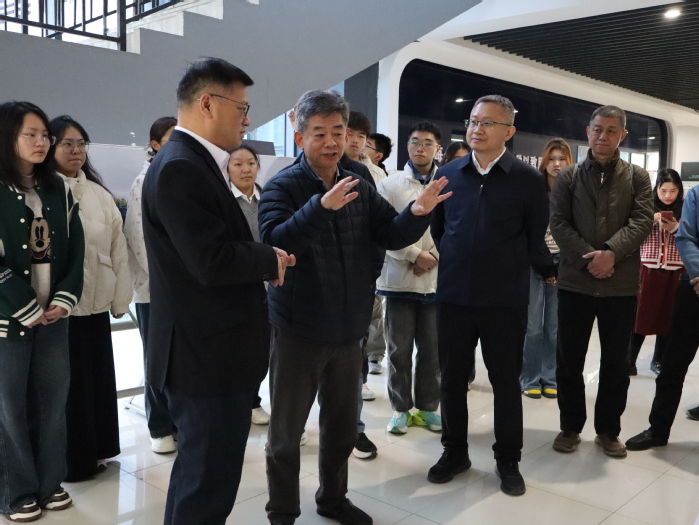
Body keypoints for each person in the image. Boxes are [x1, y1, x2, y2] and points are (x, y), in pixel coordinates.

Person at [259, 89, 451, 525]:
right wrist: (320, 207)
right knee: (287, 434)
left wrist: (418, 211)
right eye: (319, 133)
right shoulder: (283, 186)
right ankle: (282, 511)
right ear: (299, 135)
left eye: (338, 131)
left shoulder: (359, 181)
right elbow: (274, 242)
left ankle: (332, 499)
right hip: (298, 330)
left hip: (349, 330)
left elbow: (389, 233)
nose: (331, 142)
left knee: (342, 428)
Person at [141, 57, 294, 525]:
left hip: (206, 351)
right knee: (207, 485)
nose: (247, 120)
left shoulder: (191, 162)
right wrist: (268, 259)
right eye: (241, 108)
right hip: (204, 357)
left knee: (198, 476)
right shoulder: (181, 167)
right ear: (208, 103)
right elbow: (210, 260)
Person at [429, 95, 549, 496]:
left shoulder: (527, 180)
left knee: (505, 382)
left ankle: (508, 458)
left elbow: (534, 238)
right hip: (454, 297)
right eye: (473, 121)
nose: (476, 129)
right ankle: (454, 451)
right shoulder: (448, 173)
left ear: (508, 132)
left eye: (487, 123)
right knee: (451, 380)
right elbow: (440, 230)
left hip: (504, 300)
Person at [550, 105, 653, 459]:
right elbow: (559, 224)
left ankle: (608, 430)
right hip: (575, 282)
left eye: (611, 130)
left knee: (616, 363)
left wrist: (611, 253)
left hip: (620, 285)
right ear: (588, 131)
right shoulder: (568, 177)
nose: (603, 136)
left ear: (622, 135)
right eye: (597, 129)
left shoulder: (638, 177)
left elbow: (642, 221)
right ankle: (570, 426)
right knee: (569, 360)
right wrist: (590, 258)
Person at [0, 101, 84, 522]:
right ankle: (15, 491)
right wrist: (25, 305)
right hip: (8, 320)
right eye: (30, 134)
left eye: (44, 135)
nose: (41, 142)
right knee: (9, 408)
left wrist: (63, 298)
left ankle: (51, 483)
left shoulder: (57, 189)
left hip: (52, 318)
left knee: (53, 402)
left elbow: (76, 249)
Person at [49, 115, 132, 482]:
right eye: (67, 143)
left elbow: (118, 250)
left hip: (96, 303)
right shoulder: (42, 191)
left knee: (96, 381)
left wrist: (120, 300)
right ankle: (72, 463)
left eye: (81, 144)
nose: (76, 151)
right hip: (58, 309)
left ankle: (99, 449)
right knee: (67, 387)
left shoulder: (99, 194)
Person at [378, 121, 443, 436]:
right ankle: (400, 409)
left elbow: (454, 228)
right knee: (399, 351)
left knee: (432, 351)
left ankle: (428, 407)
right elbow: (382, 229)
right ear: (407, 146)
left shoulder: (448, 183)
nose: (421, 148)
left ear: (437, 148)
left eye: (427, 142)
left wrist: (435, 257)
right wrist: (415, 255)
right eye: (415, 142)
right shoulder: (390, 184)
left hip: (435, 281)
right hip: (400, 280)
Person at [625, 183, 699, 451]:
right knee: (672, 365)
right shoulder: (696, 194)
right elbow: (686, 238)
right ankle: (658, 429)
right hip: (694, 286)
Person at [124, 116, 178, 454]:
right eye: (170, 139)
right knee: (156, 357)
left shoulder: (178, 175)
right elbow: (138, 236)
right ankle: (159, 425)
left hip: (180, 288)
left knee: (178, 359)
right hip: (154, 289)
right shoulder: (144, 181)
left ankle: (177, 421)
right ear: (155, 144)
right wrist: (166, 280)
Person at [521, 139, 572, 399]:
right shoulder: (534, 189)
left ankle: (549, 377)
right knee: (532, 327)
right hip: (535, 263)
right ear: (544, 161)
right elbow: (529, 231)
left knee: (554, 327)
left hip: (564, 264)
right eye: (552, 159)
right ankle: (529, 377)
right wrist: (545, 267)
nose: (556, 164)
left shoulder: (574, 191)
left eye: (561, 159)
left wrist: (561, 266)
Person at [225, 144, 272, 426]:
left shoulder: (267, 197)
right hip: (237, 285)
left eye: (251, 163)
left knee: (261, 347)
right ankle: (238, 400)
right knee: (237, 347)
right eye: (238, 164)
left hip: (268, 284)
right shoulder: (223, 201)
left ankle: (253, 400)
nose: (246, 169)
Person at [627, 169, 685, 376]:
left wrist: (675, 228)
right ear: (656, 190)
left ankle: (658, 360)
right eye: (663, 190)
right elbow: (632, 233)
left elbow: (691, 237)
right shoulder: (645, 208)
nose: (668, 195)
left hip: (676, 270)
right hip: (648, 269)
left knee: (668, 318)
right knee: (640, 316)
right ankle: (629, 360)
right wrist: (650, 220)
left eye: (673, 191)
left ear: (679, 191)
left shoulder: (686, 209)